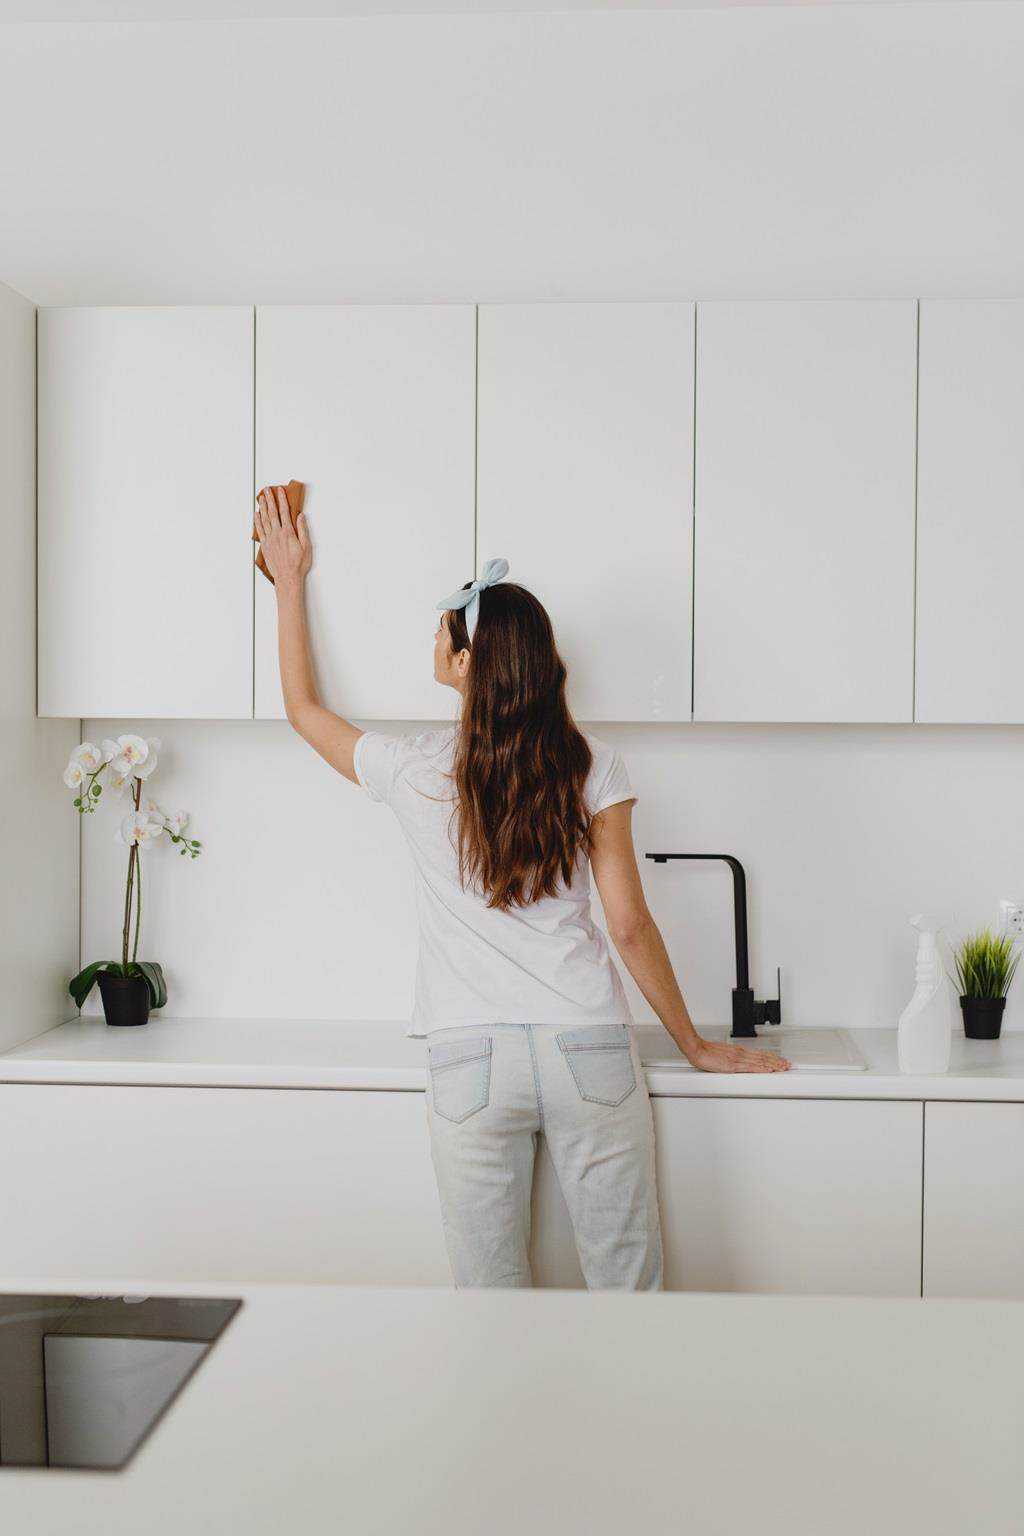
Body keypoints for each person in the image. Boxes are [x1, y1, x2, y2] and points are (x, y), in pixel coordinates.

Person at [255, 484, 791, 1291]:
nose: (434, 639)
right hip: (590, 1049)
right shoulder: (590, 766)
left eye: (443, 631)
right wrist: (693, 1044)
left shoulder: (410, 771)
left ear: (467, 664)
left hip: (470, 1055)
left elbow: (302, 709)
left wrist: (288, 583)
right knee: (628, 1290)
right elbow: (629, 925)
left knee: (489, 1302)